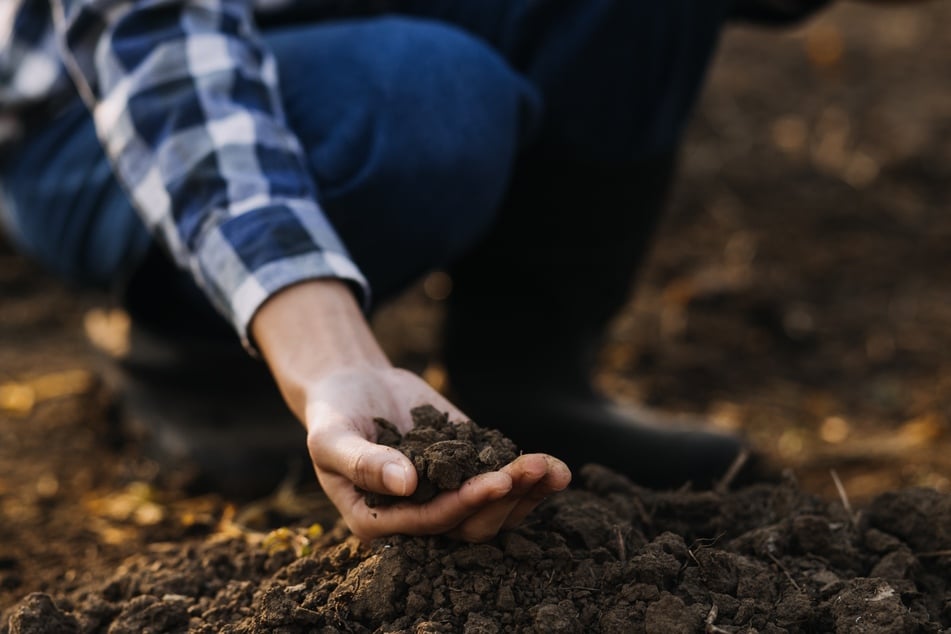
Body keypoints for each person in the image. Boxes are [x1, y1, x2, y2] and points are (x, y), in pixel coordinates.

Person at [0, 0, 855, 542]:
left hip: (377, 24)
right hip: (101, 114)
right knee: (430, 101)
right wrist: (330, 355)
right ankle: (198, 347)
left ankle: (530, 374)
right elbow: (162, 45)